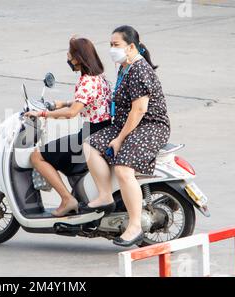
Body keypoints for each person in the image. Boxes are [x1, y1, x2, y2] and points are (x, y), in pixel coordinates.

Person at [82, 25, 171, 246]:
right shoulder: (125, 67)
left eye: (116, 45)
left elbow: (139, 110)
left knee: (123, 169)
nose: (112, 49)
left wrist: (120, 139)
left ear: (131, 47)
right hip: (128, 124)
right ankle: (105, 195)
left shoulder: (140, 70)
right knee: (90, 146)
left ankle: (134, 225)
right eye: (111, 45)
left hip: (149, 126)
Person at [25, 37, 112, 217]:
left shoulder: (87, 81)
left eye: (70, 54)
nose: (67, 57)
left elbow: (72, 113)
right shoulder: (99, 77)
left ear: (78, 58)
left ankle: (67, 199)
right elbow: (89, 101)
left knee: (37, 156)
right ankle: (76, 193)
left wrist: (42, 114)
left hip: (89, 135)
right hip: (102, 130)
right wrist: (61, 103)